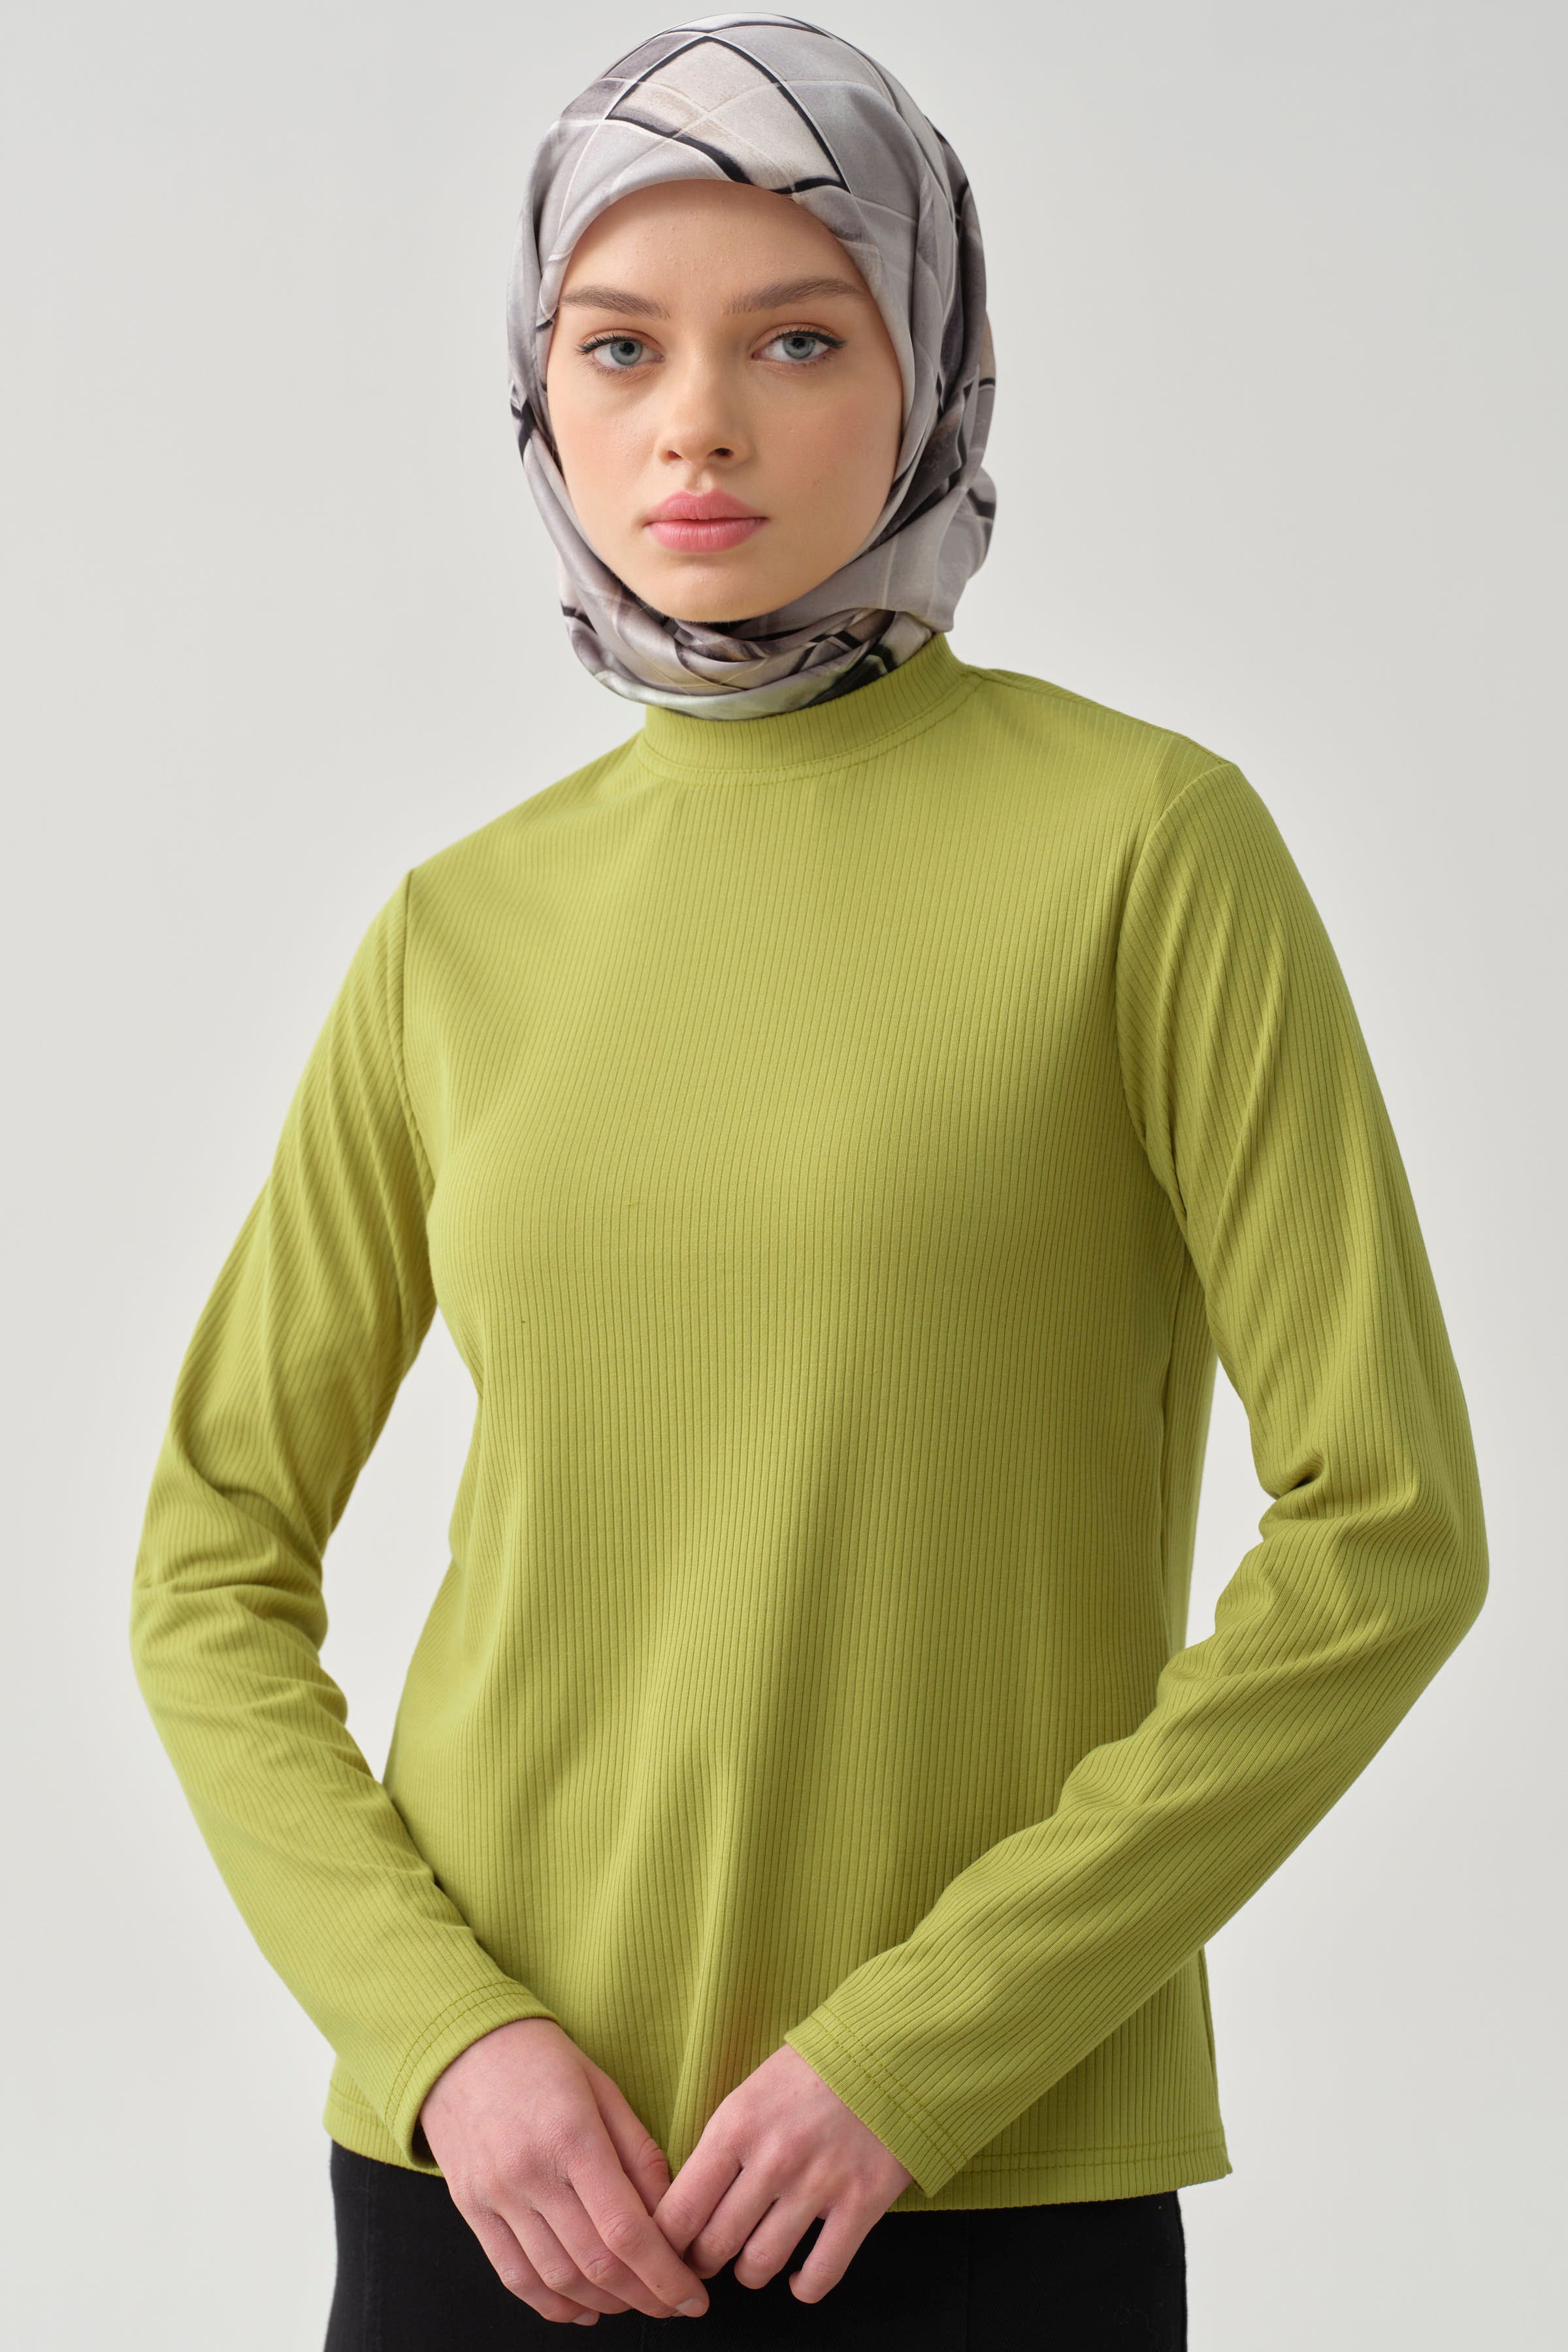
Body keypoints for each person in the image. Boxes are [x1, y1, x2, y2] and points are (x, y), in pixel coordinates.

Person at [127, 14, 1488, 2349]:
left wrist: (921, 2052)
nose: (697, 424)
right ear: (538, 385)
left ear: (927, 367)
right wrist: (448, 2043)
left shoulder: (1148, 852)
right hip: (496, 2197)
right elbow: (206, 1566)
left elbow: (1387, 1534)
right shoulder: (456, 933)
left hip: (976, 2189)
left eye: (796, 337)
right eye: (618, 345)